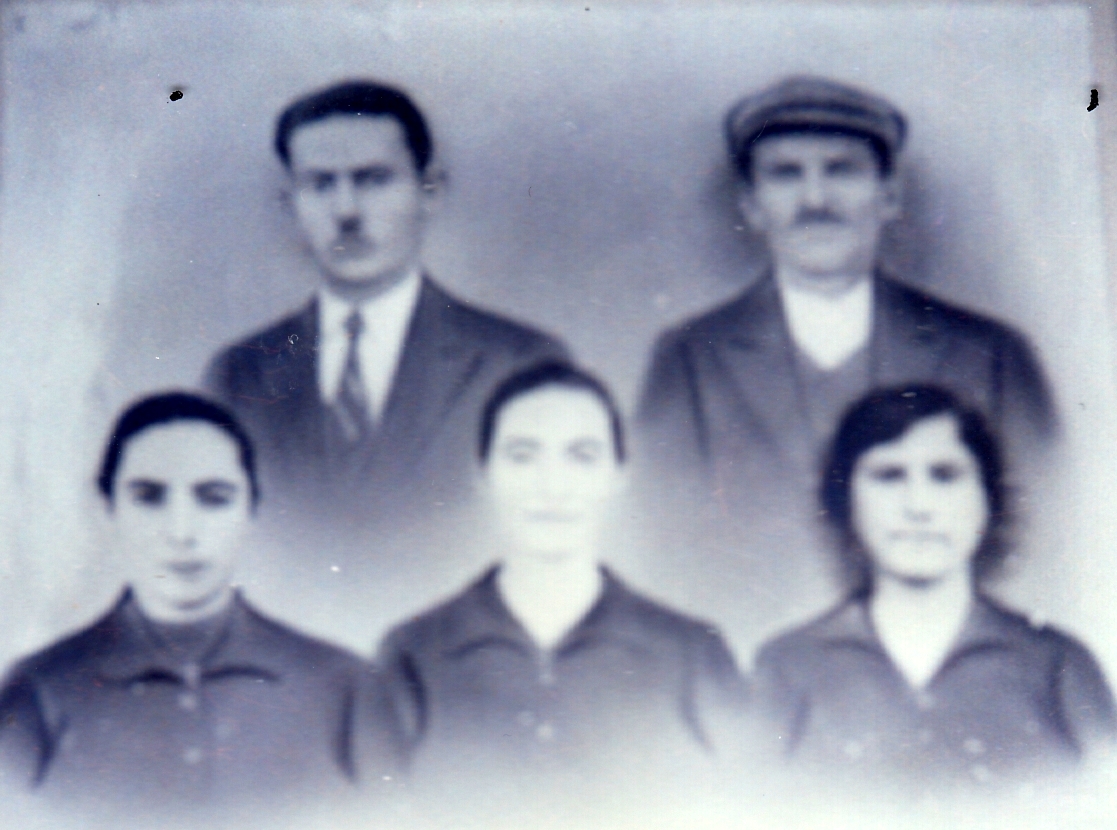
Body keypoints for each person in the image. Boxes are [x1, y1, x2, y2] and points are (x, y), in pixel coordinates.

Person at [633, 74, 1057, 654]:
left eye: (842, 170)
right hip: (752, 660)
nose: (815, 201)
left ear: (890, 195)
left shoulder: (993, 355)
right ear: (751, 206)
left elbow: (1051, 540)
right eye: (786, 174)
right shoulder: (688, 361)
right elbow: (658, 543)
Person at [0, 392, 402, 822]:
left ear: (251, 510)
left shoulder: (346, 688)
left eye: (214, 497)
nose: (182, 531)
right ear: (107, 510)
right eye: (148, 497)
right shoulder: (38, 692)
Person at [373, 361, 745, 819]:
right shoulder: (413, 654)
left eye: (582, 456)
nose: (552, 486)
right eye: (522, 456)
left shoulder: (692, 654)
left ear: (618, 475)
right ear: (483, 473)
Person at [203, 80, 568, 527]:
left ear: (429, 191)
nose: (346, 211)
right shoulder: (238, 375)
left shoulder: (518, 361)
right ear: (290, 204)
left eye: (373, 180)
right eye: (320, 184)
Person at [753, 385, 1115, 795]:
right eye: (889, 476)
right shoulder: (788, 666)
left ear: (987, 498)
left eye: (945, 476)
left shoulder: (1059, 668)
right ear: (845, 500)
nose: (919, 506)